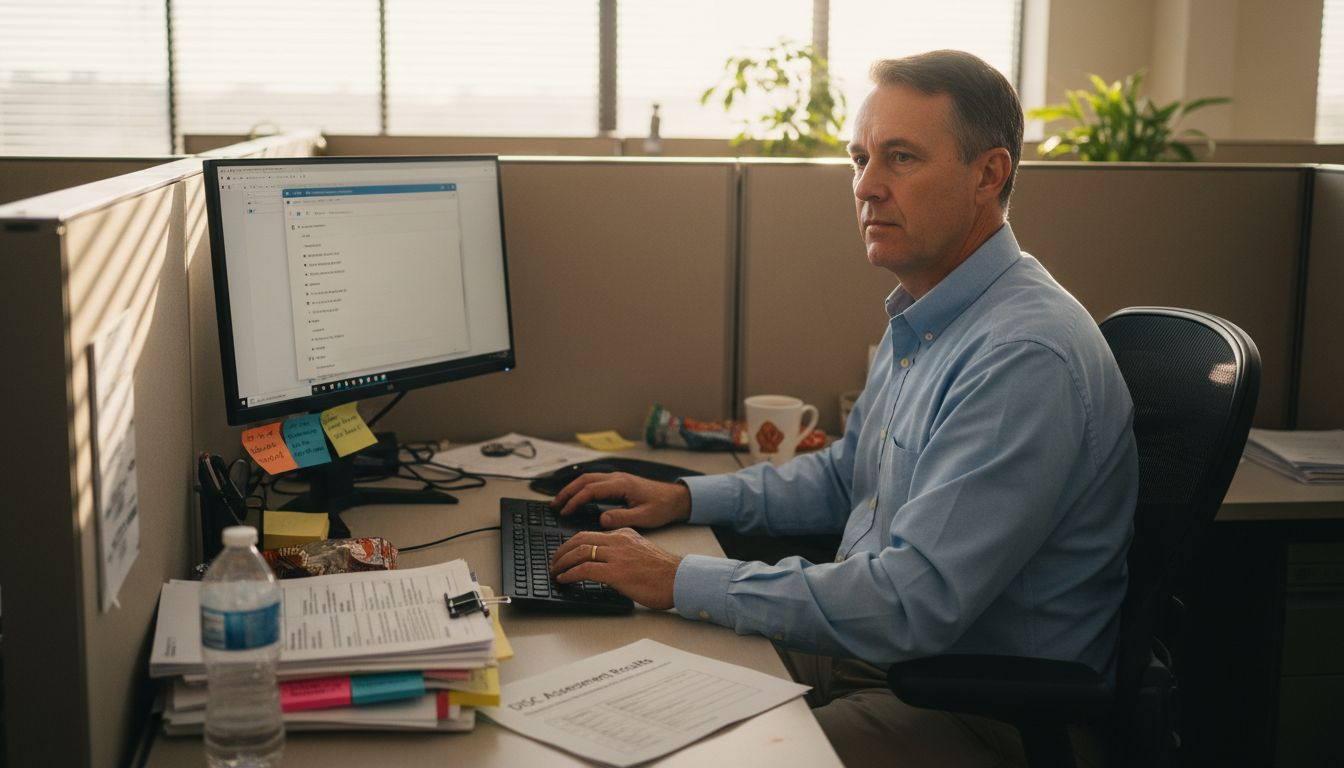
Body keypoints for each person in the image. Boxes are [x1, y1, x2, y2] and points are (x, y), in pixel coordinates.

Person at [549, 49, 1136, 767]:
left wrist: (677, 577)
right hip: (875, 661)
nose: (866, 186)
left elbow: (911, 603)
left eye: (900, 158)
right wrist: (684, 497)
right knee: (613, 690)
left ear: (989, 175)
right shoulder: (929, 312)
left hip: (978, 714)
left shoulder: (1021, 357)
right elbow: (845, 476)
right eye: (860, 159)